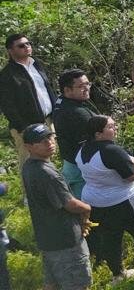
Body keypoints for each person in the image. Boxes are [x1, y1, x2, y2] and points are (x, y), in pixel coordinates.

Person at [77, 114, 134, 280]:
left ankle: (118, 274)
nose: (115, 129)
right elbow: (130, 176)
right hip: (125, 200)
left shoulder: (81, 150)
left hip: (96, 203)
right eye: (110, 127)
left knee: (110, 239)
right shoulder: (110, 150)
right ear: (98, 134)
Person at [21, 123, 93, 290]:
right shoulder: (46, 172)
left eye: (50, 137)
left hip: (48, 238)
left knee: (52, 284)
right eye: (41, 141)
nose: (49, 143)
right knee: (78, 285)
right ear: (28, 147)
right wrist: (87, 209)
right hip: (65, 239)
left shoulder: (29, 166)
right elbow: (70, 204)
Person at [1, 34, 56, 167]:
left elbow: (48, 89)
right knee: (30, 164)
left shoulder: (37, 65)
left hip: (48, 121)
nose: (26, 47)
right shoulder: (7, 74)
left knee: (49, 161)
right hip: (27, 128)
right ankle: (31, 189)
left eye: (28, 43)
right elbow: (7, 105)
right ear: (10, 50)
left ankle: (48, 188)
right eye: (21, 45)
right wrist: (23, 127)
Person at [51, 69, 98, 199]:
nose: (87, 88)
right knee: (85, 205)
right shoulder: (77, 113)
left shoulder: (60, 102)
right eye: (81, 86)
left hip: (70, 162)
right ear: (67, 90)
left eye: (88, 84)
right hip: (80, 168)